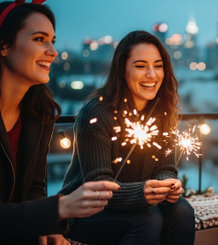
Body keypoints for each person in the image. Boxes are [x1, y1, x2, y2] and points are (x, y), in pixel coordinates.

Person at [0, 1, 120, 244]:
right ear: (4, 45)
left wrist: (45, 224)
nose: (53, 51)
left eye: (52, 40)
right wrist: (58, 208)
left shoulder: (39, 114)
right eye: (39, 39)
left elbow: (34, 188)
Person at [60, 30, 195, 245]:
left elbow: (166, 167)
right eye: (141, 66)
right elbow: (98, 184)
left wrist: (166, 186)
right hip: (86, 211)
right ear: (122, 70)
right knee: (148, 219)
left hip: (140, 203)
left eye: (158, 65)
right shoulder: (96, 113)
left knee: (183, 211)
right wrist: (142, 193)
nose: (152, 74)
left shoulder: (164, 112)